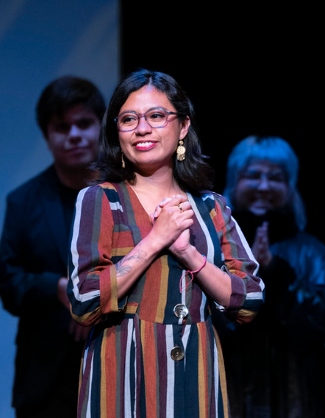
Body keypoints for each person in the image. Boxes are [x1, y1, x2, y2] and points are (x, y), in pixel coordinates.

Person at [66, 69, 265, 418]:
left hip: (197, 373)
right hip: (122, 373)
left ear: (183, 126)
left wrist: (189, 253)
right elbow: (85, 301)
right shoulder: (101, 200)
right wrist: (156, 239)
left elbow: (249, 300)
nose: (142, 129)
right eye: (129, 119)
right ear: (116, 131)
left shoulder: (211, 208)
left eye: (156, 116)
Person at [217, 135, 325, 417]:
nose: (264, 186)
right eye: (253, 175)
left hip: (295, 398)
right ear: (234, 182)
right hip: (227, 393)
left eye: (275, 177)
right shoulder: (209, 248)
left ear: (290, 187)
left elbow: (324, 320)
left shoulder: (313, 253)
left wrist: (275, 274)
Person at [0, 75, 104, 418]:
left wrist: (96, 300)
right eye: (61, 127)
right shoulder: (23, 201)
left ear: (101, 127)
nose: (74, 135)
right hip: (45, 378)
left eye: (84, 123)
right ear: (47, 136)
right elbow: (9, 285)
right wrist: (58, 287)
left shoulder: (128, 194)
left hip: (116, 364)